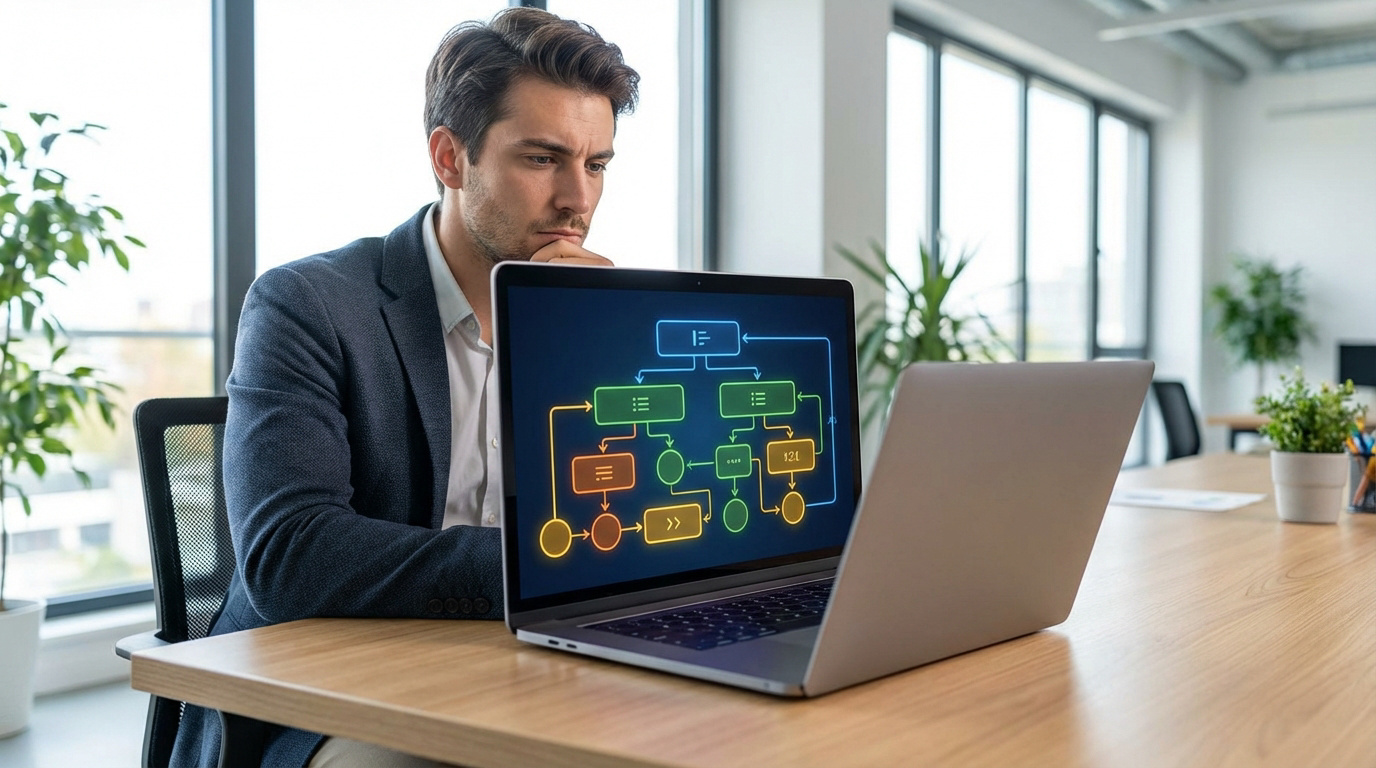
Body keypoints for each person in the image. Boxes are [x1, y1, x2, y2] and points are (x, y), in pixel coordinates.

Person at [170, 8, 639, 767]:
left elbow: (635, 520)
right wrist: (537, 562)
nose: (577, 201)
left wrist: (592, 346)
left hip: (528, 674)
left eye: (596, 165)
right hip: (326, 696)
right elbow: (292, 555)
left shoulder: (588, 319)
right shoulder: (309, 304)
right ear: (450, 158)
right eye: (544, 159)